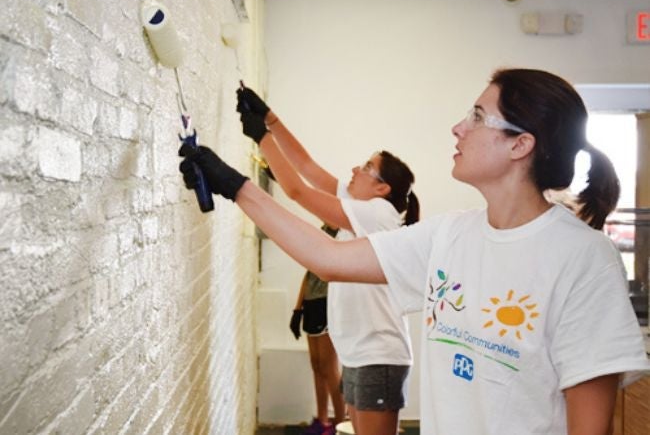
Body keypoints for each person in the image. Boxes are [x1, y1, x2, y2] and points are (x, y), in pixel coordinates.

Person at [179, 68, 650, 435]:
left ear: (521, 145)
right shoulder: (449, 236)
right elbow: (327, 257)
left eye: (478, 117)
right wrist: (235, 185)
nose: (457, 128)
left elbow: (590, 422)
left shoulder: (584, 258)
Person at [235, 86, 421, 435]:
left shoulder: (379, 214)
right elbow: (305, 167)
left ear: (382, 188)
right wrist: (269, 117)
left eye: (366, 167)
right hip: (360, 353)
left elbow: (297, 191)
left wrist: (262, 138)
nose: (355, 168)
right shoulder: (362, 210)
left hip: (378, 357)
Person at [290, 224, 345, 435]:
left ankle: (341, 425)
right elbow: (309, 272)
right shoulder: (323, 229)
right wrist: (298, 309)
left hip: (327, 303)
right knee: (317, 365)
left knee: (329, 367)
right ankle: (322, 422)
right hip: (311, 303)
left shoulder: (344, 233)